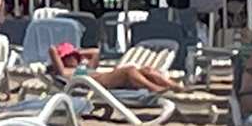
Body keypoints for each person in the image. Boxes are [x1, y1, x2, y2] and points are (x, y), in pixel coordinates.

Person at [50, 41, 178, 94]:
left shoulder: (86, 66)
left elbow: (96, 52)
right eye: (69, 57)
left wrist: (78, 52)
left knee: (146, 70)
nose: (73, 58)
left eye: (74, 56)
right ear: (62, 60)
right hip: (100, 83)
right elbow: (52, 50)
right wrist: (61, 54)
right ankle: (155, 89)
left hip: (108, 78)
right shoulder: (65, 72)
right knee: (129, 70)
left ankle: (175, 86)